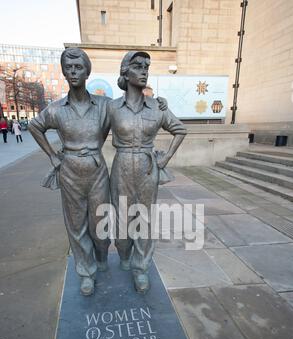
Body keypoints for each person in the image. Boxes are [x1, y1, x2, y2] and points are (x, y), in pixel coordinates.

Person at [28, 48, 111, 296]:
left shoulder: (105, 105)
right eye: (69, 67)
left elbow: (129, 108)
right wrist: (53, 156)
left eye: (78, 67)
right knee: (76, 225)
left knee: (100, 222)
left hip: (97, 172)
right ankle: (86, 271)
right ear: (64, 71)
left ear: (87, 71)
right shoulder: (55, 109)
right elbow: (35, 126)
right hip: (70, 172)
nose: (73, 72)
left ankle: (102, 253)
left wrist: (157, 102)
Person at [108, 51, 187, 294]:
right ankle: (124, 251)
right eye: (138, 66)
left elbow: (180, 130)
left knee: (144, 220)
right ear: (125, 71)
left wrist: (166, 158)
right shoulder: (111, 107)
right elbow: (92, 133)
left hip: (146, 168)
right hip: (120, 167)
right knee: (122, 223)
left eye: (147, 67)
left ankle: (141, 267)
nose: (144, 70)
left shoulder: (157, 106)